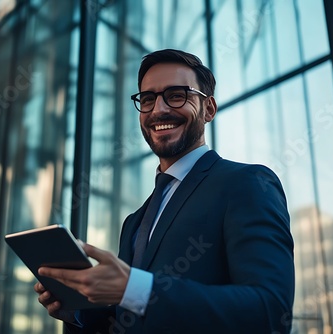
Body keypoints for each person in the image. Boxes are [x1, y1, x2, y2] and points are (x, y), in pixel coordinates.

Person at [34, 49, 295, 333]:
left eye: (176, 95)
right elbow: (131, 318)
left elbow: (270, 310)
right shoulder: (135, 220)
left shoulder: (247, 183)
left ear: (208, 109)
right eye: (148, 99)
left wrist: (137, 289)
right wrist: (78, 310)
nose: (158, 110)